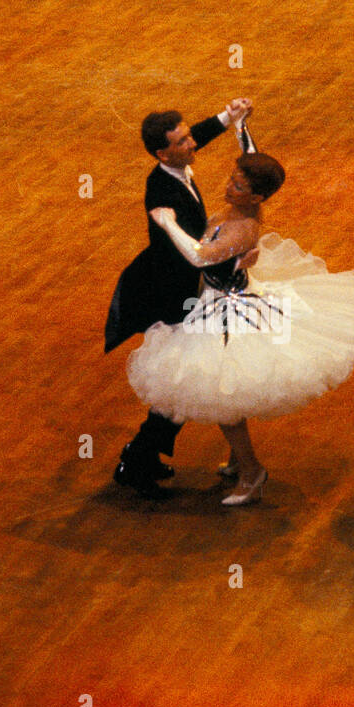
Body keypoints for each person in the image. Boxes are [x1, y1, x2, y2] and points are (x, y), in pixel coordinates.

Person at [127, 153, 354, 506]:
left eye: (239, 186)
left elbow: (200, 256)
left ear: (257, 198)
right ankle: (237, 462)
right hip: (217, 302)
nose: (229, 187)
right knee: (228, 386)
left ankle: (252, 471)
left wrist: (168, 223)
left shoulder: (243, 227)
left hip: (230, 311)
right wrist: (240, 124)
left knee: (224, 395)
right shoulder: (237, 216)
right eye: (232, 179)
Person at [105, 99, 254, 497]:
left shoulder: (174, 164)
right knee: (182, 380)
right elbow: (190, 255)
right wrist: (224, 255)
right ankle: (136, 460)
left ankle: (140, 457)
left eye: (189, 136)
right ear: (162, 153)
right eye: (182, 141)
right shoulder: (161, 193)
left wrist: (227, 117)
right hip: (173, 297)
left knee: (182, 380)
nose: (192, 144)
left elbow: (197, 138)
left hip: (187, 290)